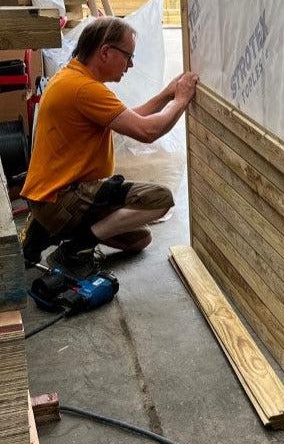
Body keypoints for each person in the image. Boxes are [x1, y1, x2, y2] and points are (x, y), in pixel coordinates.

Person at [20, 16, 198, 266]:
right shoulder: (85, 89)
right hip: (63, 197)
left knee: (139, 240)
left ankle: (45, 231)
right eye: (128, 56)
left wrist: (168, 94)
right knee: (160, 199)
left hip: (51, 196)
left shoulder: (72, 77)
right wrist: (182, 100)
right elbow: (147, 132)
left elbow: (131, 118)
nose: (130, 65)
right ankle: (76, 246)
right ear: (105, 52)